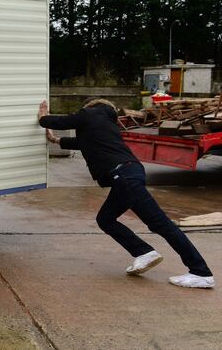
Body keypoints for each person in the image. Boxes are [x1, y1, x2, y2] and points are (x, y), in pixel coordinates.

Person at [38, 98, 214, 288]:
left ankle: (200, 272)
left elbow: (61, 122)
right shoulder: (105, 124)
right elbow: (82, 143)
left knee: (162, 225)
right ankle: (144, 253)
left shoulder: (90, 114)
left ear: (89, 107)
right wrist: (53, 138)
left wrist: (42, 118)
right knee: (106, 219)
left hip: (123, 177)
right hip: (128, 175)